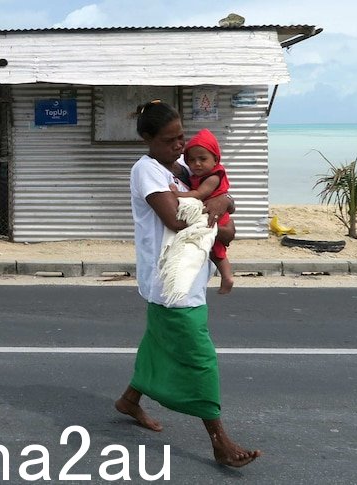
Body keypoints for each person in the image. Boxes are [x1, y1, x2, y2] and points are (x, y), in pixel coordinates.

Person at [114, 99, 262, 467]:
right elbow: (176, 220)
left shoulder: (181, 169)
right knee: (199, 358)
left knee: (158, 344)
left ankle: (130, 400)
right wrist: (216, 212)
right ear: (148, 138)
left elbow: (225, 208)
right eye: (170, 140)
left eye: (182, 137)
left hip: (191, 274)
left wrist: (223, 200)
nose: (180, 146)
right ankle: (219, 439)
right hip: (171, 283)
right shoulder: (146, 170)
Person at [172, 128, 234, 294]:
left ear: (215, 160)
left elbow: (200, 194)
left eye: (202, 159)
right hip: (212, 212)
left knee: (217, 249)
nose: (197, 163)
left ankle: (227, 277)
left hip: (217, 215)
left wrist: (178, 193)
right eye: (191, 160)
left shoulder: (213, 177)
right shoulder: (198, 174)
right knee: (213, 248)